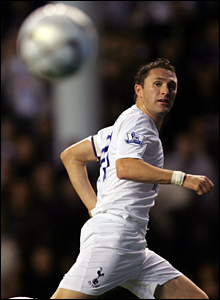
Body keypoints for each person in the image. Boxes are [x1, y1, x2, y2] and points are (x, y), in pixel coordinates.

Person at [51, 58, 214, 299]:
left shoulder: (120, 127)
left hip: (133, 244)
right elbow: (126, 167)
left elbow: (71, 156)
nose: (165, 91)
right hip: (114, 240)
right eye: (157, 84)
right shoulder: (138, 122)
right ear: (138, 90)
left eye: (171, 86)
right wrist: (183, 178)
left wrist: (95, 208)